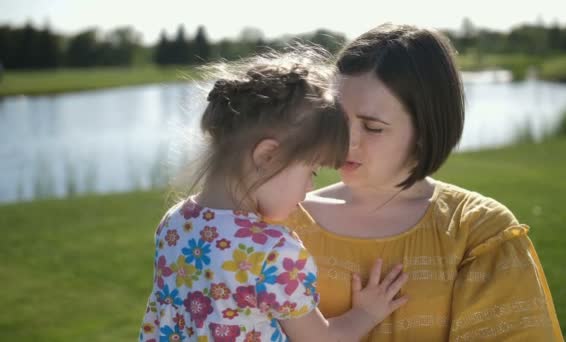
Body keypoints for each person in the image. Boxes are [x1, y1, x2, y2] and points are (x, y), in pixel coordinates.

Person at [281, 24, 564, 341]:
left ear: (425, 130)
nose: (347, 141)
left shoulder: (477, 232)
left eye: (373, 127)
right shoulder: (282, 220)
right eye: (337, 118)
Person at [138, 48, 409, 342]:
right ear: (268, 156)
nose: (308, 190)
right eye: (311, 172)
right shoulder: (273, 252)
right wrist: (366, 314)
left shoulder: (174, 224)